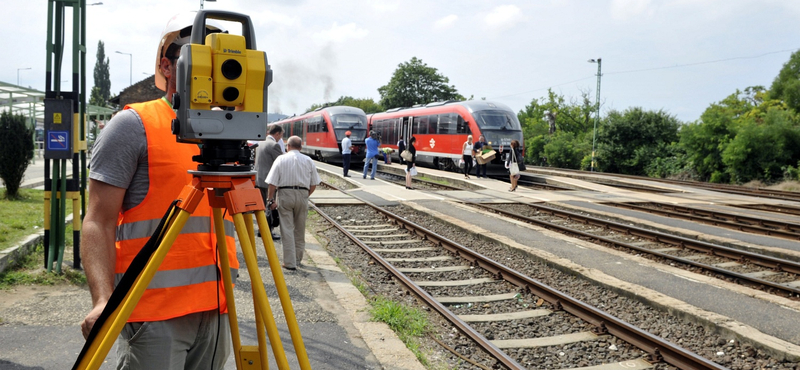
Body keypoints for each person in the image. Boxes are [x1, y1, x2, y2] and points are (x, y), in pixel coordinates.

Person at [80, 12, 236, 369]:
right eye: (194, 56)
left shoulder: (227, 137)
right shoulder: (133, 126)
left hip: (216, 308)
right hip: (153, 312)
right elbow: (98, 221)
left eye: (215, 59)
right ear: (167, 65)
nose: (207, 68)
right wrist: (103, 299)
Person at [265, 136, 321, 270]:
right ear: (300, 147)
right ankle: (298, 259)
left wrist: (271, 199)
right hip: (302, 194)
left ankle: (290, 263)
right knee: (300, 229)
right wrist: (305, 195)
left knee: (287, 229)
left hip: (285, 194)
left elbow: (272, 183)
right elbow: (314, 183)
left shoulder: (281, 159)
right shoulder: (308, 160)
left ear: (287, 146)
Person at [256, 124, 284, 240]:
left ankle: (261, 230)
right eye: (281, 135)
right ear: (277, 134)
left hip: (259, 179)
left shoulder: (260, 142)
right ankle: (267, 232)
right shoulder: (274, 145)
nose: (280, 138)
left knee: (261, 207)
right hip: (268, 181)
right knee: (269, 206)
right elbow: (281, 162)